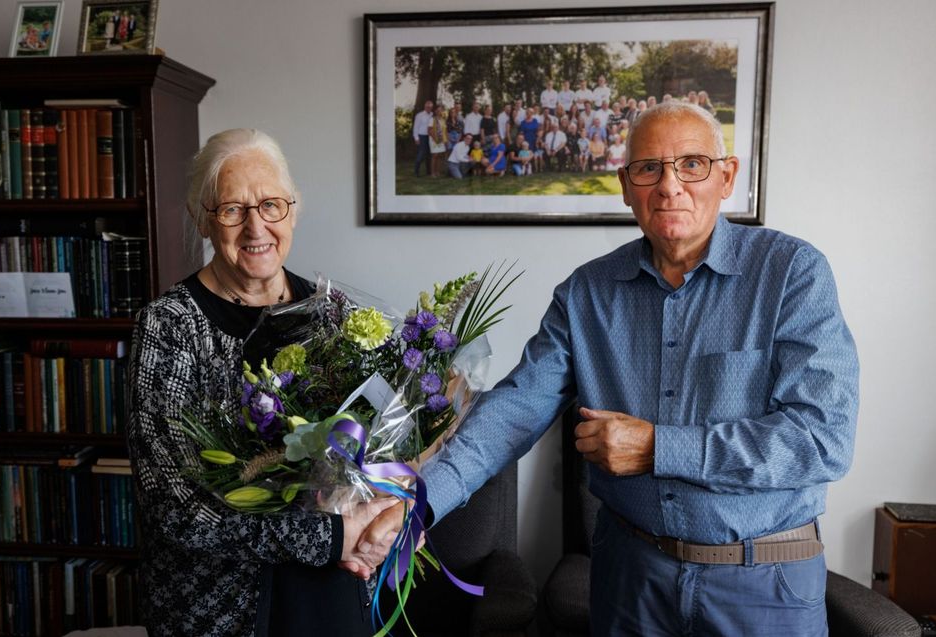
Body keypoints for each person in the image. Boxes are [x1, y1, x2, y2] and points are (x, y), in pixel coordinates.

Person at [362, 102, 859, 637]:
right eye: (648, 168)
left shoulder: (792, 274)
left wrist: (656, 447)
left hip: (763, 585)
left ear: (727, 176)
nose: (669, 186)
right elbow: (513, 411)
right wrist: (418, 501)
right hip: (629, 580)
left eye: (691, 164)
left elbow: (823, 439)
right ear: (625, 186)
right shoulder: (585, 293)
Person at [127, 129, 394, 636]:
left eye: (271, 205)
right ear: (203, 218)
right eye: (232, 209)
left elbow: (387, 454)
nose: (256, 226)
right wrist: (330, 536)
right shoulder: (169, 326)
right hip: (216, 607)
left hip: (331, 590)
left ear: (292, 211)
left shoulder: (336, 316)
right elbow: (175, 507)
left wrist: (390, 516)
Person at [412, 100, 434, 177]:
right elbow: (415, 127)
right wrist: (416, 138)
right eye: (427, 107)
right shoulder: (419, 115)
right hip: (422, 136)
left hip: (430, 136)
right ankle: (416, 172)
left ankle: (428, 172)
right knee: (421, 154)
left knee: (429, 154)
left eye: (430, 107)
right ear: (425, 107)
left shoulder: (432, 114)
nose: (429, 108)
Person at [429, 104, 448, 178]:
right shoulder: (432, 119)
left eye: (441, 110)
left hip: (441, 140)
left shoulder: (443, 120)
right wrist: (435, 139)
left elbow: (445, 131)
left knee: (439, 156)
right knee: (435, 156)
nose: (439, 112)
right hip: (434, 140)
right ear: (435, 111)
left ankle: (437, 171)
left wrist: (446, 140)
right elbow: (429, 131)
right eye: (438, 110)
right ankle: (432, 173)